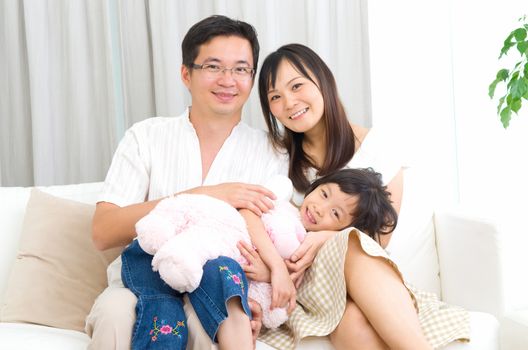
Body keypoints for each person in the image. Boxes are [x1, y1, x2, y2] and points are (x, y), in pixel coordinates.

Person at [85, 15, 290, 350]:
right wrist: (203, 196)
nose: (228, 80)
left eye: (241, 69)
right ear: (186, 74)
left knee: (217, 320)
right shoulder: (146, 136)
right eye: (213, 66)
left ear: (252, 78)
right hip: (137, 285)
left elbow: (274, 244)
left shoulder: (273, 152)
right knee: (116, 315)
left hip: (220, 288)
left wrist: (254, 295)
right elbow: (102, 231)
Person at [255, 43, 470, 350]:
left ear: (323, 80)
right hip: (311, 285)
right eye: (275, 97)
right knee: (349, 260)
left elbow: (378, 239)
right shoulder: (275, 156)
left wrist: (326, 238)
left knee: (353, 320)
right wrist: (323, 241)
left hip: (365, 275)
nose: (289, 102)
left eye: (297, 86)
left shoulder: (378, 146)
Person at [122, 167, 398, 339]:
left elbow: (287, 288)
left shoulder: (312, 247)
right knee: (170, 308)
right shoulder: (283, 206)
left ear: (343, 228)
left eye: (335, 213)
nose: (319, 209)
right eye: (324, 195)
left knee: (188, 317)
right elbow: (248, 214)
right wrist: (276, 267)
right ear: (316, 186)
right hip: (179, 251)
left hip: (218, 277)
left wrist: (271, 276)